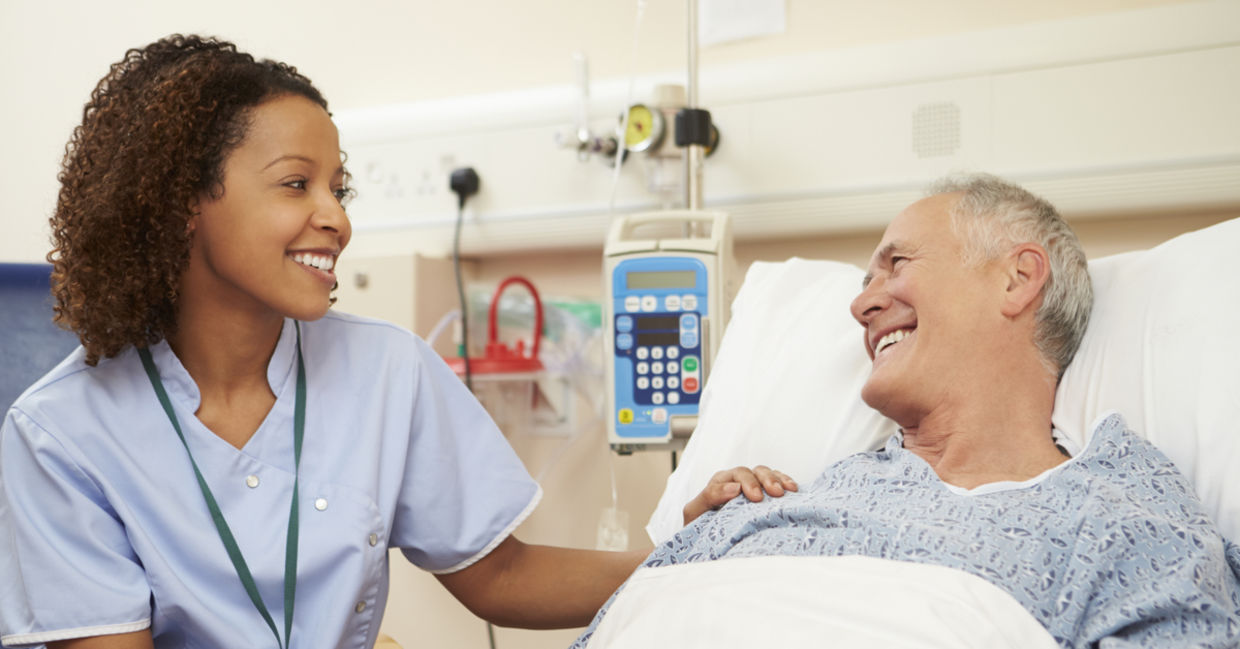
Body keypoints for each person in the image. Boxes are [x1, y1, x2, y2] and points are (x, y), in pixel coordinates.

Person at [0, 34, 687, 649]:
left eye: (339, 188)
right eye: (297, 184)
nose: (335, 218)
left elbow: (504, 574)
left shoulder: (388, 369)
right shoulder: (60, 433)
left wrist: (692, 554)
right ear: (184, 202)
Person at [573, 174, 1240, 648]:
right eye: (866, 283)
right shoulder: (770, 504)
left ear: (1016, 278)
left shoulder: (1123, 526)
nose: (862, 306)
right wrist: (700, 545)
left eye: (896, 264)